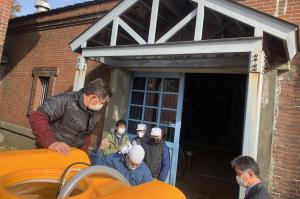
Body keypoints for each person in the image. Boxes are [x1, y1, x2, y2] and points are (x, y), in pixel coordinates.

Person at [29, 78, 112, 155]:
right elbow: (37, 117)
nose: (101, 106)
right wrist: (51, 143)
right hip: (49, 153)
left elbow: (86, 136)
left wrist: (83, 154)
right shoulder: (66, 100)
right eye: (102, 103)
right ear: (93, 97)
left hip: (70, 157)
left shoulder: (94, 113)